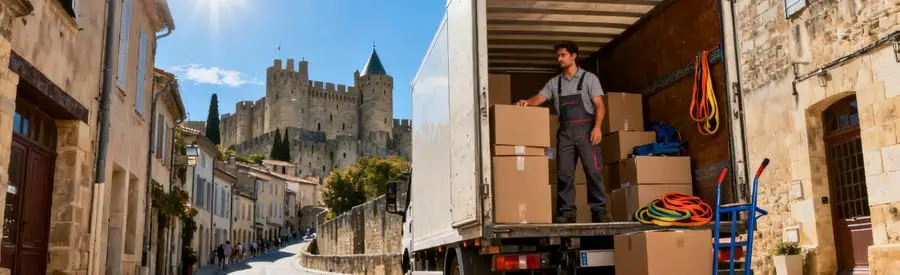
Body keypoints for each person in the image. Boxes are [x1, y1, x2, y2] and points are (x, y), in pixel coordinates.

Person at [516, 41, 608, 224]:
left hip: (587, 132)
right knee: (564, 174)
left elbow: (600, 105)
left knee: (593, 172)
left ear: (574, 56)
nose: (559, 59)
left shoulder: (589, 79)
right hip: (565, 133)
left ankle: (600, 212)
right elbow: (540, 97)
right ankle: (567, 214)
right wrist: (527, 102)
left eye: (563, 55)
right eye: (558, 56)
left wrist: (597, 127)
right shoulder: (555, 82)